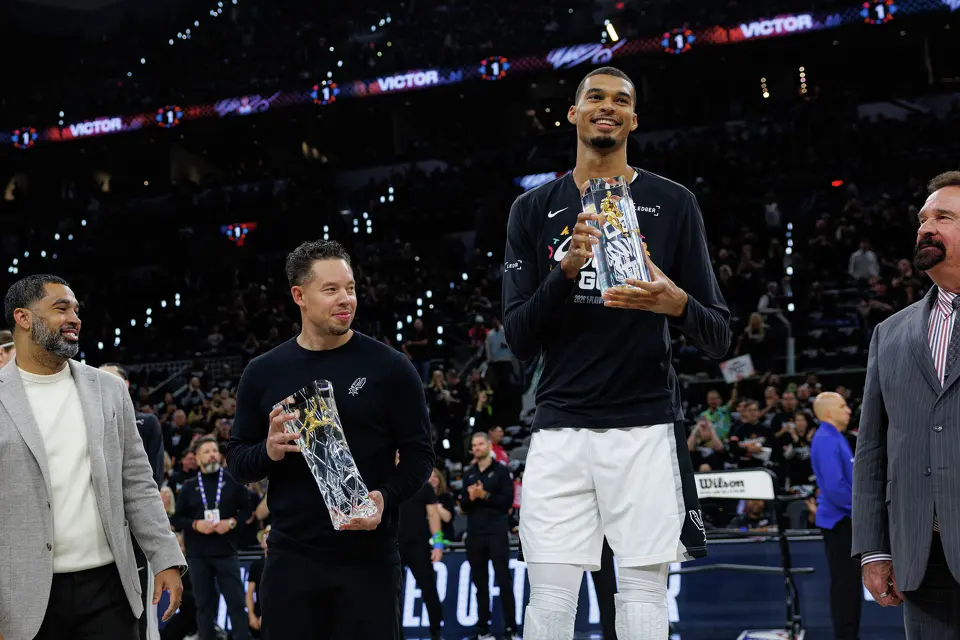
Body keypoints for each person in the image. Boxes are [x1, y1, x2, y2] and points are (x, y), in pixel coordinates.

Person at [501, 66, 731, 639]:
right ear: (574, 114)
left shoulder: (674, 203)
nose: (608, 107)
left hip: (645, 426)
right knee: (549, 598)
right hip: (559, 428)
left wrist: (677, 303)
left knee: (643, 595)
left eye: (621, 100)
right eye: (595, 98)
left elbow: (719, 334)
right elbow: (519, 339)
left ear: (633, 118)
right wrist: (565, 272)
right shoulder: (532, 210)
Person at [227, 240, 434, 640]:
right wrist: (268, 451)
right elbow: (238, 461)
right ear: (299, 296)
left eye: (351, 288)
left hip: (368, 558)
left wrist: (385, 497)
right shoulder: (262, 372)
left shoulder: (391, 367)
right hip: (291, 558)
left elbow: (419, 455)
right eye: (331, 290)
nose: (346, 299)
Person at [0, 274, 184, 640]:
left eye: (76, 309)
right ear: (23, 318)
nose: (74, 318)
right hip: (22, 593)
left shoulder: (109, 389)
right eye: (60, 308)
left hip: (108, 586)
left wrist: (165, 556)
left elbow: (137, 482)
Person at [854, 171, 960, 637]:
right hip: (922, 557)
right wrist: (875, 550)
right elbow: (873, 448)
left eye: (944, 216)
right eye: (922, 219)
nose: (925, 227)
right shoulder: (889, 332)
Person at [100, 362, 166, 640]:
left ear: (124, 386)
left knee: (142, 614)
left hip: (134, 530)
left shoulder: (145, 422)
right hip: (100, 533)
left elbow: (149, 480)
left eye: (107, 379)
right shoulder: (83, 424)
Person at [172, 436, 252, 640]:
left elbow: (247, 509)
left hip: (226, 552)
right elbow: (177, 518)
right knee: (204, 605)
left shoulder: (232, 480)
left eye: (214, 450)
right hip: (198, 555)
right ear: (197, 458)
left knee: (236, 603)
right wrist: (195, 524)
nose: (212, 455)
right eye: (206, 452)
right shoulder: (189, 486)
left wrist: (232, 522)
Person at [810, 392, 860, 640]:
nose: (848, 410)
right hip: (840, 522)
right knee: (845, 585)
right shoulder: (826, 439)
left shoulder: (833, 437)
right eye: (843, 406)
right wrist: (860, 510)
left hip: (843, 519)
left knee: (849, 586)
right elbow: (835, 487)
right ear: (829, 412)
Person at [459, 432, 517, 640]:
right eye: (474, 445)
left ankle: (510, 628)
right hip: (475, 533)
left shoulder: (501, 471)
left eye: (480, 444)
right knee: (479, 582)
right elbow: (463, 505)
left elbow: (507, 502)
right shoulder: (469, 473)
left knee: (503, 580)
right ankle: (484, 629)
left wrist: (485, 495)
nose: (476, 448)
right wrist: (471, 497)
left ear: (489, 445)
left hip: (496, 532)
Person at [397, 452, 445, 640]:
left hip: (419, 546)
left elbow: (433, 515)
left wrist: (438, 544)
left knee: (429, 591)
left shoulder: (424, 486)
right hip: (395, 547)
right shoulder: (387, 485)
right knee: (392, 595)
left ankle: (436, 634)